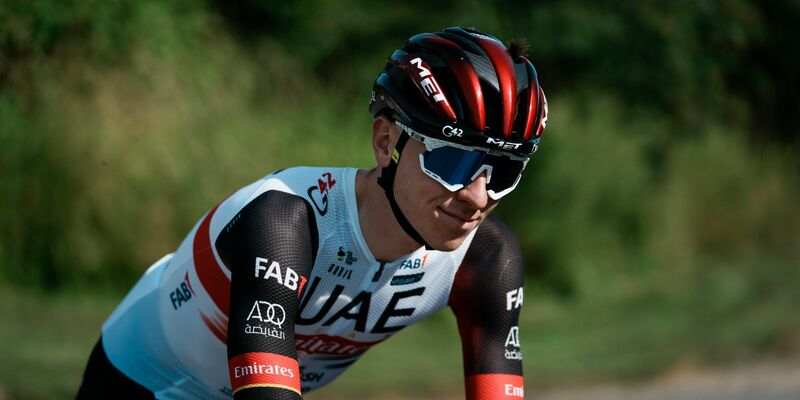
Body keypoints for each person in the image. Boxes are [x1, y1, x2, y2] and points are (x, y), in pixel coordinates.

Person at [76, 26, 548, 400]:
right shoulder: (287, 220)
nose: (478, 195)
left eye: (504, 170)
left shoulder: (487, 259)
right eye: (453, 162)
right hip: (145, 379)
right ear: (387, 143)